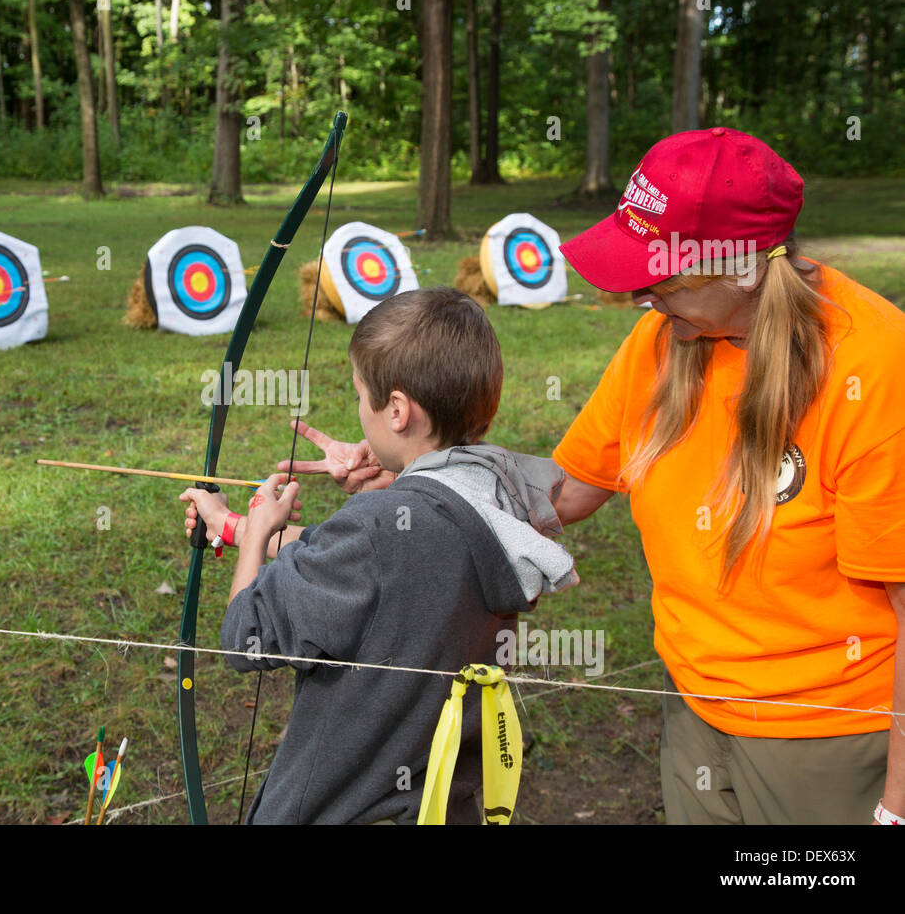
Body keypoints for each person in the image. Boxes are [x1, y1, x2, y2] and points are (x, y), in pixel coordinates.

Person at [282, 128, 905, 826]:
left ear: (742, 270)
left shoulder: (875, 369)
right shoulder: (663, 340)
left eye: (658, 275)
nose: (639, 291)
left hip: (829, 736)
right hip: (695, 708)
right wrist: (418, 478)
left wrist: (896, 806)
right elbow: (566, 492)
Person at [181, 286, 576, 824]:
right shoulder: (499, 497)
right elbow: (381, 570)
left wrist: (255, 536)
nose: (356, 410)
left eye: (359, 394)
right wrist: (231, 525)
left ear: (396, 410)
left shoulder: (379, 532)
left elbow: (247, 638)